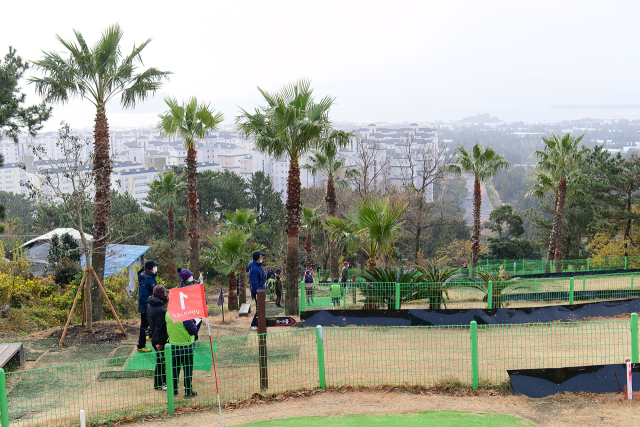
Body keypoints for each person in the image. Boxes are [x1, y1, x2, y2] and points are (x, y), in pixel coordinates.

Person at [165, 305, 198, 398]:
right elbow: (193, 330)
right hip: (186, 347)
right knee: (187, 369)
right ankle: (188, 391)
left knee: (175, 369)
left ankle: (173, 390)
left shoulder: (168, 313)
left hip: (173, 346)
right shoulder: (183, 315)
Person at [147, 285, 169, 391]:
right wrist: (160, 342)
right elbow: (160, 327)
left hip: (155, 337)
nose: (166, 295)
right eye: (164, 293)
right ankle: (160, 383)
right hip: (159, 339)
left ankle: (161, 382)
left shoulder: (151, 304)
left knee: (161, 361)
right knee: (161, 362)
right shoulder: (159, 309)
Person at [137, 260, 159, 352]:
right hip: (146, 307)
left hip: (151, 305)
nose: (156, 268)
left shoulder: (150, 276)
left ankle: (146, 337)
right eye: (154, 266)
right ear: (150, 268)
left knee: (149, 324)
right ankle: (141, 345)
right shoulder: (145, 279)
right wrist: (148, 307)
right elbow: (143, 296)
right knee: (144, 325)